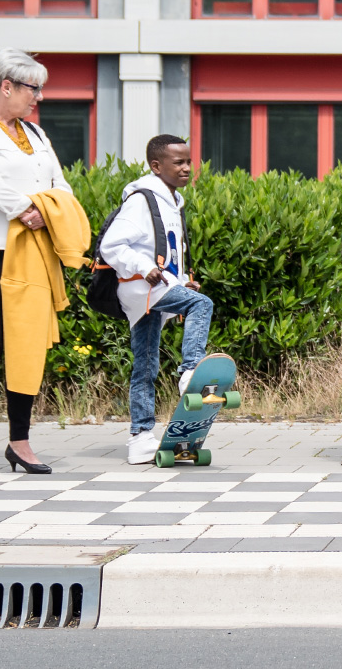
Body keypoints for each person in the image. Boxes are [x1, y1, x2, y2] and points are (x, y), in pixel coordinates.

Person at [0, 49, 75, 482]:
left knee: (29, 346)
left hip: (38, 248)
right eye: (32, 88)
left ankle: (19, 441)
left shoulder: (37, 135)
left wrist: (51, 211)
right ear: (7, 86)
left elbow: (62, 184)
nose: (38, 97)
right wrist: (31, 211)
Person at [104, 134, 214, 466]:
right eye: (178, 163)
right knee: (202, 305)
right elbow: (112, 246)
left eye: (188, 162)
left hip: (154, 290)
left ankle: (140, 439)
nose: (186, 168)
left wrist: (183, 283)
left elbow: (165, 249)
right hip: (142, 286)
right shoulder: (142, 199)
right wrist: (145, 267)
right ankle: (190, 371)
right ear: (156, 166)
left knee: (146, 365)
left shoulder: (172, 201)